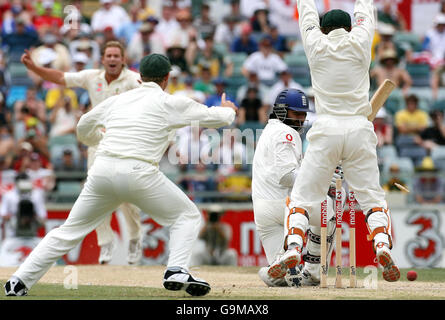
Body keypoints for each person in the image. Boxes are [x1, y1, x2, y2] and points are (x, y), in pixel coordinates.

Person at [4, 53, 237, 297]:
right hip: (139, 173)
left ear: (139, 78)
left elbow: (83, 124)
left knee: (66, 232)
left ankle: (18, 281)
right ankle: (176, 269)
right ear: (167, 78)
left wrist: (95, 139)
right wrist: (228, 110)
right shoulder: (171, 102)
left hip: (102, 172)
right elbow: (216, 118)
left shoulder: (117, 101)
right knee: (186, 215)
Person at [271, 0, 401, 284]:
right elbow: (366, 10)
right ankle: (381, 245)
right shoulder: (361, 42)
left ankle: (293, 247)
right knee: (371, 198)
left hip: (326, 130)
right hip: (359, 129)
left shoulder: (315, 44)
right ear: (349, 28)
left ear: (324, 29)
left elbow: (306, 12)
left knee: (302, 199)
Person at [20, 41, 144, 265]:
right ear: (103, 59)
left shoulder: (134, 80)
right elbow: (60, 78)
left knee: (128, 196)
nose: (113, 59)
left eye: (117, 55)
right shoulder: (92, 77)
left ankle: (134, 239)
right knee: (97, 193)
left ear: (123, 59)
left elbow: (152, 94)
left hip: (126, 144)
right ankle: (105, 243)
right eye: (109, 55)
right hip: (98, 145)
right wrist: (35, 69)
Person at [252, 88, 338, 287]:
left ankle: (277, 269)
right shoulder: (287, 133)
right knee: (328, 209)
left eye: (303, 114)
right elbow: (286, 176)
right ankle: (313, 272)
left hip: (263, 212)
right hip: (287, 206)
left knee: (281, 279)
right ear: (282, 111)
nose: (300, 119)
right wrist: (322, 176)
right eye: (296, 113)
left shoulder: (268, 131)